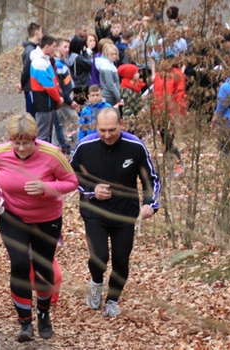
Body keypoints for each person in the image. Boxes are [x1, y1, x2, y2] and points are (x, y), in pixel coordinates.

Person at [0, 113, 78, 342]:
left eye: (26, 143)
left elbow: (72, 182)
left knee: (43, 268)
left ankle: (43, 313)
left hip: (47, 218)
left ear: (35, 139)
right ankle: (25, 323)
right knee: (19, 264)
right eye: (17, 143)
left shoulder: (52, 154)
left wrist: (46, 187)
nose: (22, 148)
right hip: (12, 215)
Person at [69, 107, 159, 317]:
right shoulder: (85, 146)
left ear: (121, 125)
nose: (107, 135)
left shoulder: (135, 146)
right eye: (102, 130)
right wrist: (92, 190)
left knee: (121, 259)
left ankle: (112, 300)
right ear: (96, 128)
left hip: (124, 212)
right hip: (94, 211)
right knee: (99, 256)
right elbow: (70, 175)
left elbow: (151, 179)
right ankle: (96, 282)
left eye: (112, 130)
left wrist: (149, 203)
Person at [29, 35, 63, 142]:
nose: (56, 49)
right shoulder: (39, 62)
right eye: (54, 46)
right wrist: (58, 99)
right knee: (42, 136)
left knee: (47, 134)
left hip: (48, 103)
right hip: (43, 104)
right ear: (47, 46)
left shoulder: (45, 60)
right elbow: (49, 86)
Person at [152, 58, 187, 158]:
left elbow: (180, 95)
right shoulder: (160, 74)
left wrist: (179, 112)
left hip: (170, 111)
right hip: (161, 110)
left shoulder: (175, 74)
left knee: (168, 140)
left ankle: (175, 160)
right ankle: (171, 161)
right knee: (165, 139)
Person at [54, 38, 79, 153]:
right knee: (75, 121)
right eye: (64, 47)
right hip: (64, 100)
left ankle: (60, 146)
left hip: (66, 98)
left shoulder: (62, 62)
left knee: (60, 124)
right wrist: (69, 101)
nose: (67, 50)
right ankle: (73, 146)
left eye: (68, 47)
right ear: (57, 47)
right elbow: (61, 88)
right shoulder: (57, 65)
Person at [19, 23, 43, 117]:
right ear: (36, 32)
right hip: (31, 88)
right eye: (41, 31)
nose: (42, 34)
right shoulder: (30, 50)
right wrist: (22, 83)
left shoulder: (35, 48)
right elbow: (26, 70)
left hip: (34, 87)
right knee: (32, 116)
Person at [67, 36, 93, 105]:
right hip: (83, 84)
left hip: (76, 84)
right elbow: (90, 64)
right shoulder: (78, 58)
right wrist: (85, 53)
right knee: (84, 104)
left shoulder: (69, 56)